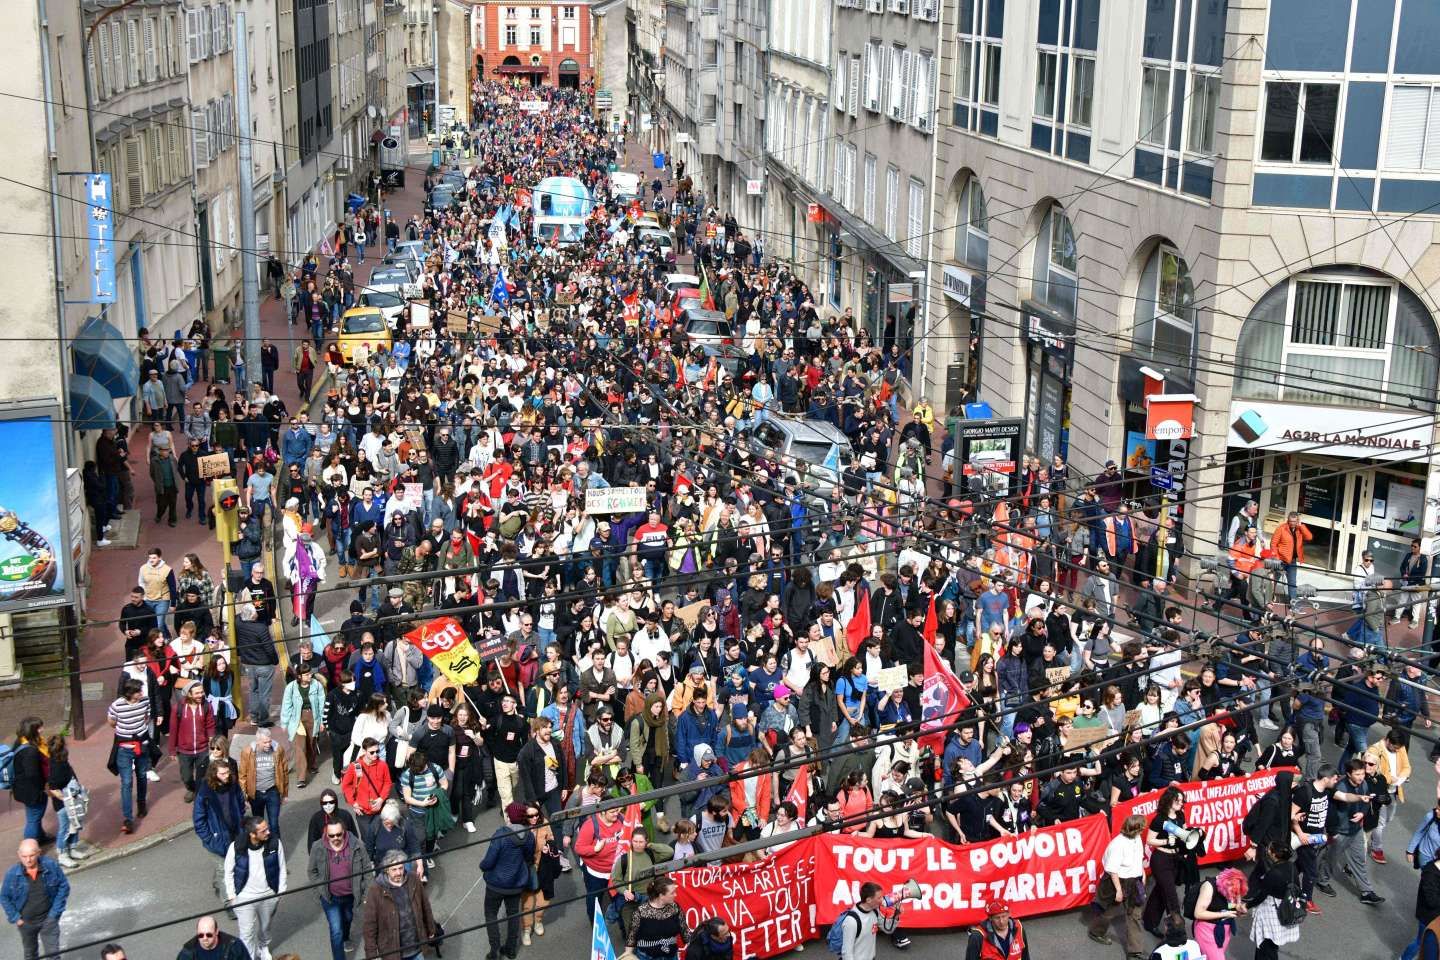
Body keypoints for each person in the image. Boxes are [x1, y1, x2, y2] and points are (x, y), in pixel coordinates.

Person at [308, 818, 373, 960]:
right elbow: (312, 871)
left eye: (339, 834)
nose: (336, 838)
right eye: (332, 835)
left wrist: (367, 894)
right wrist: (318, 892)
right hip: (329, 897)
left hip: (351, 895)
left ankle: (346, 937)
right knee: (336, 930)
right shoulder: (317, 847)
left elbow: (367, 869)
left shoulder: (357, 845)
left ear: (344, 832)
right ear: (326, 833)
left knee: (348, 918)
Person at [223, 816, 287, 960]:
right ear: (253, 834)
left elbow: (282, 867)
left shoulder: (275, 844)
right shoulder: (236, 847)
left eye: (267, 828)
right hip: (244, 897)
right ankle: (249, 956)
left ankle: (263, 948)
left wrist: (280, 892)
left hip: (268, 894)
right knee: (246, 933)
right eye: (264, 831)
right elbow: (228, 872)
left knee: (265, 927)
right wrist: (232, 896)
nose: (268, 832)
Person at [480, 803, 536, 960]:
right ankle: (511, 949)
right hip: (516, 883)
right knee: (513, 914)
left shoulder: (501, 834)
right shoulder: (528, 835)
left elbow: (489, 861)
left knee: (491, 914)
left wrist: (483, 866)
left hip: (496, 884)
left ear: (509, 816)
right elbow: (528, 858)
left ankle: (495, 951)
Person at [362, 849, 439, 960]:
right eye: (394, 869)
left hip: (417, 948)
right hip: (393, 953)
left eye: (400, 868)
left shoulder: (414, 880)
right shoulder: (376, 890)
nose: (398, 873)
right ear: (386, 870)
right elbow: (369, 925)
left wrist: (431, 929)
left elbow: (425, 906)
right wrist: (372, 954)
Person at [1088, 814, 1146, 957]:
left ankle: (1134, 951)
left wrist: (1142, 874)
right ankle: (1096, 932)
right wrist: (1119, 891)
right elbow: (1112, 869)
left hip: (1134, 880)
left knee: (1134, 915)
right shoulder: (1117, 844)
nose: (1143, 831)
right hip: (1117, 882)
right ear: (1135, 829)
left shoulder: (1137, 838)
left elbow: (1138, 858)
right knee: (1109, 912)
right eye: (1142, 828)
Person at [1, 839, 68, 960]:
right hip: (26, 922)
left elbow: (63, 886)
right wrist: (16, 918)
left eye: (31, 855)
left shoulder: (51, 866)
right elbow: (4, 897)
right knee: (30, 954)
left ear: (39, 853)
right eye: (24, 856)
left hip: (48, 920)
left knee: (53, 955)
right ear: (19, 855)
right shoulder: (12, 874)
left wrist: (54, 914)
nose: (28, 860)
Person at [106, 679, 153, 834]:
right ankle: (128, 818)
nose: (142, 693)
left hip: (142, 745)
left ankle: (141, 804)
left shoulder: (145, 701)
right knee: (126, 782)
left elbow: (147, 716)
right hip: (124, 749)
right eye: (139, 691)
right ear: (130, 693)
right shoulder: (117, 705)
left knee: (141, 775)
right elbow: (111, 721)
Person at [1245, 841, 1299, 960]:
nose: (1267, 851)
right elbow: (1297, 887)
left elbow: (1261, 896)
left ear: (1274, 854)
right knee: (1272, 946)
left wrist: (1246, 906)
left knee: (1265, 946)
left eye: (1269, 849)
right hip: (1285, 908)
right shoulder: (1292, 867)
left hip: (1270, 912)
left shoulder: (1273, 873)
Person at [238, 726, 289, 838]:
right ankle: (261, 846)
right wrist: (244, 797)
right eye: (265, 742)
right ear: (258, 741)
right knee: (258, 825)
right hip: (256, 794)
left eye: (269, 741)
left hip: (273, 792)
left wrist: (285, 794)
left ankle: (275, 848)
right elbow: (242, 776)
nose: (268, 745)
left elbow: (284, 772)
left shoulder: (278, 750)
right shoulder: (248, 752)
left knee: (274, 824)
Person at [833, 881, 902, 960]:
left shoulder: (875, 911)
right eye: (879, 898)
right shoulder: (851, 921)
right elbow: (846, 952)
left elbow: (888, 929)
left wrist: (896, 914)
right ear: (868, 900)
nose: (882, 900)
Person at [626, 876, 691, 960]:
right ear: (661, 896)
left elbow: (684, 930)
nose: (675, 895)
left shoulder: (675, 907)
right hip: (646, 957)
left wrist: (695, 948)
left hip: (671, 955)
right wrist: (628, 955)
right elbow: (631, 938)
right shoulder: (640, 912)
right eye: (672, 893)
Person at [1191, 867, 1246, 960]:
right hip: (1206, 930)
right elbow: (1198, 913)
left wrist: (1238, 908)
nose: (1234, 895)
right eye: (1232, 892)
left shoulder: (1236, 885)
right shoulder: (1209, 887)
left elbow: (1229, 904)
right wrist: (1225, 914)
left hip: (1224, 929)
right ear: (1225, 884)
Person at [8, 718, 48, 843]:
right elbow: (32, 774)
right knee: (34, 818)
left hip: (23, 788)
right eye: (40, 727)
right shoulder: (31, 751)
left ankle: (40, 837)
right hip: (32, 791)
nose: (43, 729)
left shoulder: (20, 741)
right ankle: (29, 845)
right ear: (33, 730)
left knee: (35, 815)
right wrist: (44, 788)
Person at [963, 900, 1029, 960]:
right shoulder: (977, 936)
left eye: (1004, 916)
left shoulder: (1018, 927)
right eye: (997, 918)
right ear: (990, 918)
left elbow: (1025, 956)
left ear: (1009, 914)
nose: (1001, 921)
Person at [175, 917, 251, 960]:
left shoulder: (234, 946)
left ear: (216, 932)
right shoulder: (187, 953)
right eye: (200, 935)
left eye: (209, 935)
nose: (204, 938)